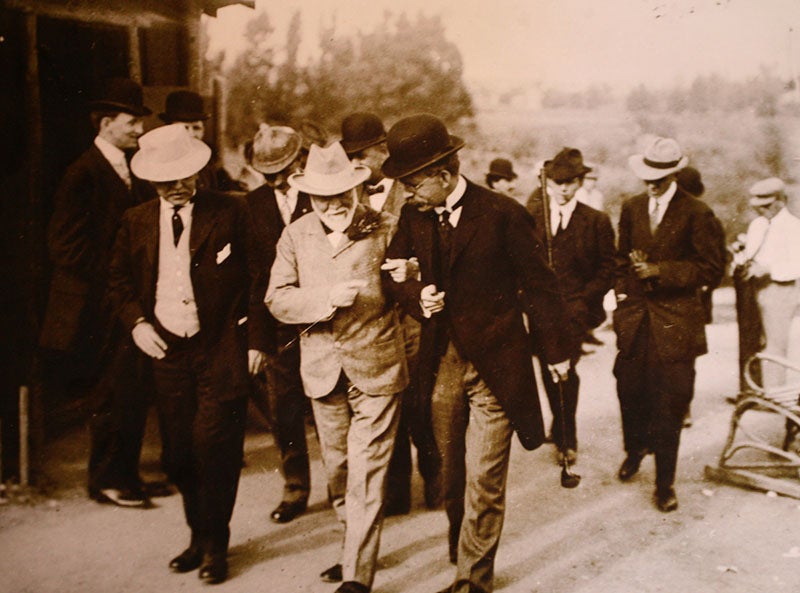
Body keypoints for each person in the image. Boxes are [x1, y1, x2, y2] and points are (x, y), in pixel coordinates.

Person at [382, 114, 572, 593]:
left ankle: (472, 579)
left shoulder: (503, 213)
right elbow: (391, 272)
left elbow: (541, 285)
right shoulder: (413, 215)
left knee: (484, 477)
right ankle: (461, 548)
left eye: (412, 183)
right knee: (451, 474)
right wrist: (416, 296)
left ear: (444, 174)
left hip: (497, 366)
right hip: (441, 363)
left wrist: (556, 352)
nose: (405, 192)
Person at [108, 124, 260, 584]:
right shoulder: (135, 221)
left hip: (219, 346)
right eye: (166, 179)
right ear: (151, 180)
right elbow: (117, 282)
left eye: (185, 175)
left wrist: (256, 341)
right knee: (176, 454)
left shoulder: (230, 211)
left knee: (215, 447)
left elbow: (259, 276)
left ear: (198, 171)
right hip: (167, 350)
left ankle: (216, 544)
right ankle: (197, 535)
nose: (178, 186)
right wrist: (137, 324)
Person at [266, 142, 408, 593]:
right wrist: (324, 299)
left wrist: (408, 276)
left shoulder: (385, 225)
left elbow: (410, 282)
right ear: (308, 196)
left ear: (355, 189)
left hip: (376, 367)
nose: (332, 205)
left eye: (341, 194)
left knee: (366, 469)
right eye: (321, 197)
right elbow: (276, 299)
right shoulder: (295, 235)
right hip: (323, 370)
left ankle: (356, 577)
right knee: (340, 469)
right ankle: (354, 548)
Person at [39, 77, 157, 508]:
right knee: (108, 393)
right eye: (132, 122)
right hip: (94, 307)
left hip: (119, 302)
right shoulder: (82, 173)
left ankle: (125, 474)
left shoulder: (130, 168)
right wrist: (114, 278)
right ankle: (107, 480)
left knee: (130, 389)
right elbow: (64, 247)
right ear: (107, 123)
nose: (139, 130)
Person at [613, 137, 725, 513]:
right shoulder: (632, 207)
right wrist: (621, 297)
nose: (651, 185)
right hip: (635, 322)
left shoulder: (697, 212)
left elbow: (711, 268)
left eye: (658, 179)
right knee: (629, 391)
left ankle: (664, 484)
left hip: (676, 325)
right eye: (646, 178)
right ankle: (635, 449)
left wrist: (660, 271)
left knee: (669, 404)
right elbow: (619, 260)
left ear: (674, 174)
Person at [341, 112, 442, 516]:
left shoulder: (414, 190)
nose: (354, 167)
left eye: (360, 158)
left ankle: (436, 478)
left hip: (412, 316)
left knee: (421, 403)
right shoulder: (346, 196)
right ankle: (395, 491)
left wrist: (415, 273)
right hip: (373, 322)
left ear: (381, 151)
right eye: (349, 160)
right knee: (386, 405)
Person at [525, 147, 615, 465]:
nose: (563, 189)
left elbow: (608, 268)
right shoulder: (533, 217)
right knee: (548, 368)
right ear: (548, 183)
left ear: (580, 182)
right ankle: (559, 424)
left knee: (565, 369)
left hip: (576, 310)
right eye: (557, 182)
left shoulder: (596, 221)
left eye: (570, 182)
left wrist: (584, 300)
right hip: (539, 309)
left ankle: (567, 437)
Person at [244, 123, 313, 524]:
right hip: (279, 325)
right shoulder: (252, 206)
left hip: (324, 317)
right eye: (267, 175)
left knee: (332, 407)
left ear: (300, 159)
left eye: (282, 172)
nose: (275, 182)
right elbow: (255, 278)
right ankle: (295, 488)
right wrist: (257, 340)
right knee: (284, 410)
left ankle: (347, 487)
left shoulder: (322, 192)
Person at [736, 178, 800, 388]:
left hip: (780, 290)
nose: (761, 210)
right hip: (754, 288)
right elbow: (751, 254)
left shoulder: (793, 226)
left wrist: (769, 270)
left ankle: (774, 393)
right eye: (758, 206)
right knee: (752, 341)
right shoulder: (757, 225)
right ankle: (753, 391)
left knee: (775, 346)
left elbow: (797, 265)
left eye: (767, 205)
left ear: (781, 200)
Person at [159, 90, 240, 193]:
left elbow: (229, 189)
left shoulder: (209, 160)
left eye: (196, 128)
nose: (192, 134)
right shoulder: (158, 161)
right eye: (184, 128)